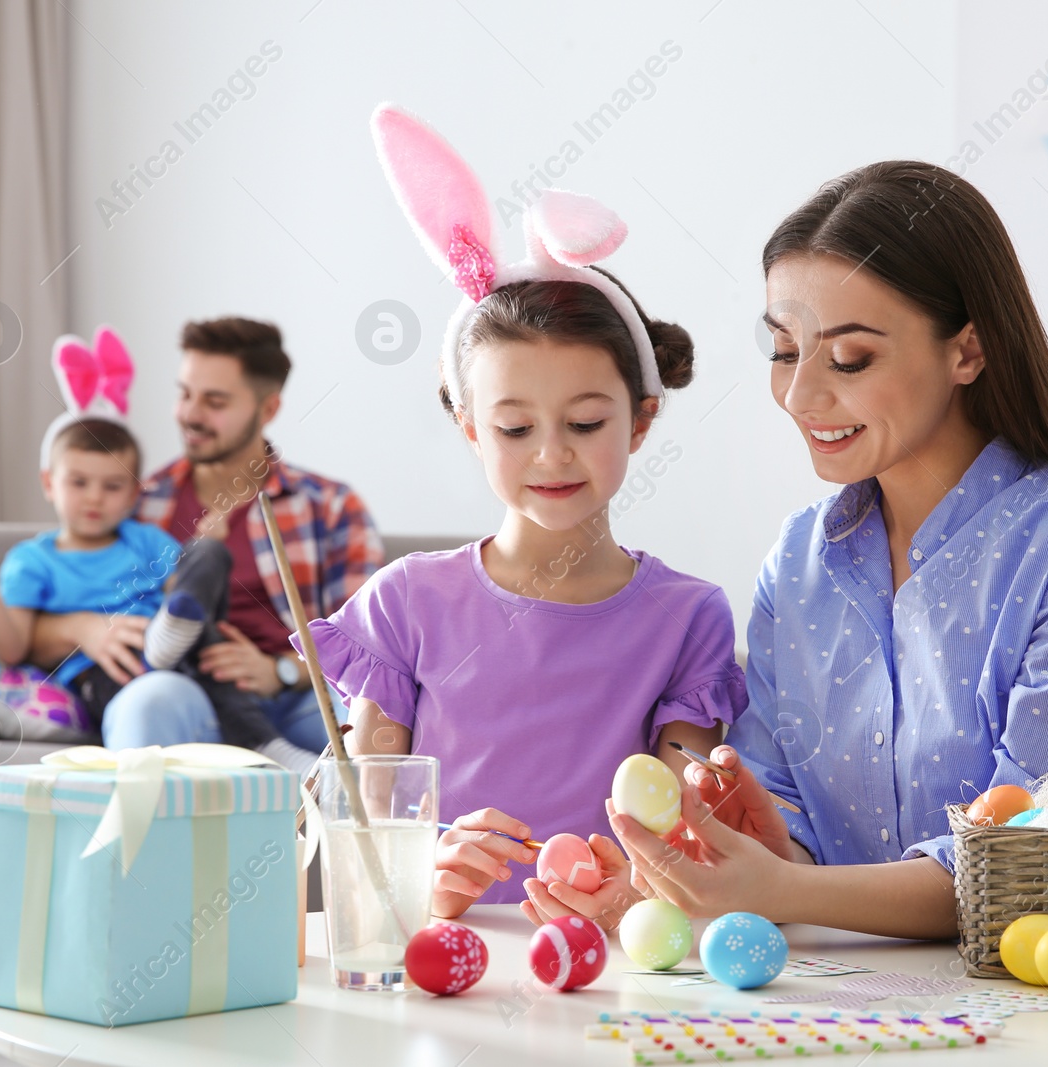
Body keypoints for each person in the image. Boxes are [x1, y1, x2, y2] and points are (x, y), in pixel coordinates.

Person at [604, 161, 1048, 1067]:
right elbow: (794, 815)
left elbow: (1038, 862)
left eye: (850, 356)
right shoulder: (799, 558)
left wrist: (784, 886)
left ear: (967, 351)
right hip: (920, 1018)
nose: (801, 394)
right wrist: (759, 843)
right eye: (784, 348)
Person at [293, 105, 747, 925]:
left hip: (615, 965)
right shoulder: (404, 603)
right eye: (513, 428)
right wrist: (426, 876)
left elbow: (689, 831)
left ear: (641, 420)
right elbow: (356, 847)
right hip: (438, 961)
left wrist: (635, 885)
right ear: (470, 427)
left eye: (585, 423)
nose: (551, 456)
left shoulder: (689, 618)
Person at [27, 316, 383, 753]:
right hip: (185, 694)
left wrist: (281, 670)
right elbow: (35, 619)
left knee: (374, 714)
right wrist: (83, 627)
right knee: (148, 702)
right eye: (184, 394)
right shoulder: (136, 500)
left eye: (214, 401)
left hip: (295, 697)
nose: (190, 415)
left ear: (268, 409)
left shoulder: (331, 507)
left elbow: (369, 649)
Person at [0, 415, 310, 769]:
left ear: (133, 495)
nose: (95, 498)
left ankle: (270, 748)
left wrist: (203, 548)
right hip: (109, 668)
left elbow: (181, 589)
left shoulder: (143, 540)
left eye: (112, 486)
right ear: (49, 483)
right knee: (172, 670)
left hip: (174, 644)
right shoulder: (32, 561)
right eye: (79, 483)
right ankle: (261, 742)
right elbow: (12, 648)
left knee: (207, 555)